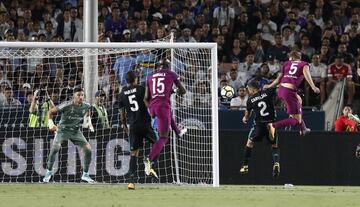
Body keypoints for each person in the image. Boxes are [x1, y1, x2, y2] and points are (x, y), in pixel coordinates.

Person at [144, 58, 186, 179]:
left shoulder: (150, 77)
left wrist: (151, 109)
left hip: (153, 107)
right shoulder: (171, 74)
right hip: (163, 107)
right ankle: (149, 158)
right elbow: (183, 91)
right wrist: (177, 89)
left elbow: (147, 97)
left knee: (169, 113)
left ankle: (178, 132)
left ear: (158, 67)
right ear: (168, 66)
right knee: (163, 137)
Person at [42, 87, 95, 183]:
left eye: (82, 95)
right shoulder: (66, 105)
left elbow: (88, 112)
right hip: (62, 130)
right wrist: (51, 124)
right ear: (74, 96)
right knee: (55, 148)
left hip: (75, 131)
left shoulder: (86, 106)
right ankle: (48, 172)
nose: (80, 97)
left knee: (88, 150)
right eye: (78, 95)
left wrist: (88, 122)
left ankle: (85, 175)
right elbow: (50, 112)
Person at [118, 71, 158, 190]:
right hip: (145, 123)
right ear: (136, 79)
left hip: (133, 126)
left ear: (126, 80)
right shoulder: (141, 88)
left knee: (134, 153)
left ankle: (131, 182)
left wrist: (125, 127)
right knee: (158, 143)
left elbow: (122, 115)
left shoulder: (122, 94)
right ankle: (149, 162)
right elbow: (148, 102)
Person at [264, 50, 320, 136]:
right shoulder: (304, 64)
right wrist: (313, 86)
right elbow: (306, 73)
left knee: (299, 100)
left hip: (282, 89)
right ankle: (273, 126)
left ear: (292, 58)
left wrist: (269, 86)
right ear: (299, 58)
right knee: (297, 120)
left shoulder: (286, 63)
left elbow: (279, 79)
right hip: (289, 92)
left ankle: (303, 129)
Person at [240, 81, 280, 178]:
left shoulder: (250, 100)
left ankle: (245, 166)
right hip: (271, 124)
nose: (248, 91)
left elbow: (247, 116)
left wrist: (244, 119)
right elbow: (278, 87)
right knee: (274, 145)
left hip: (259, 125)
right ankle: (276, 163)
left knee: (249, 143)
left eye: (248, 89)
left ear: (252, 89)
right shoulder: (267, 92)